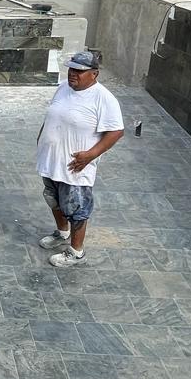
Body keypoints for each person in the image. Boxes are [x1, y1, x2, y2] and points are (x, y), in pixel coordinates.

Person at [36, 50, 124, 267]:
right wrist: (41, 140)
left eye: (79, 71)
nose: (72, 74)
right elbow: (53, 116)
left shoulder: (103, 98)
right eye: (71, 69)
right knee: (53, 199)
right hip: (51, 160)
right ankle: (62, 233)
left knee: (76, 208)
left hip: (75, 165)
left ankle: (76, 251)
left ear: (94, 74)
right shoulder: (63, 88)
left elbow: (116, 131)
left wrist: (90, 155)